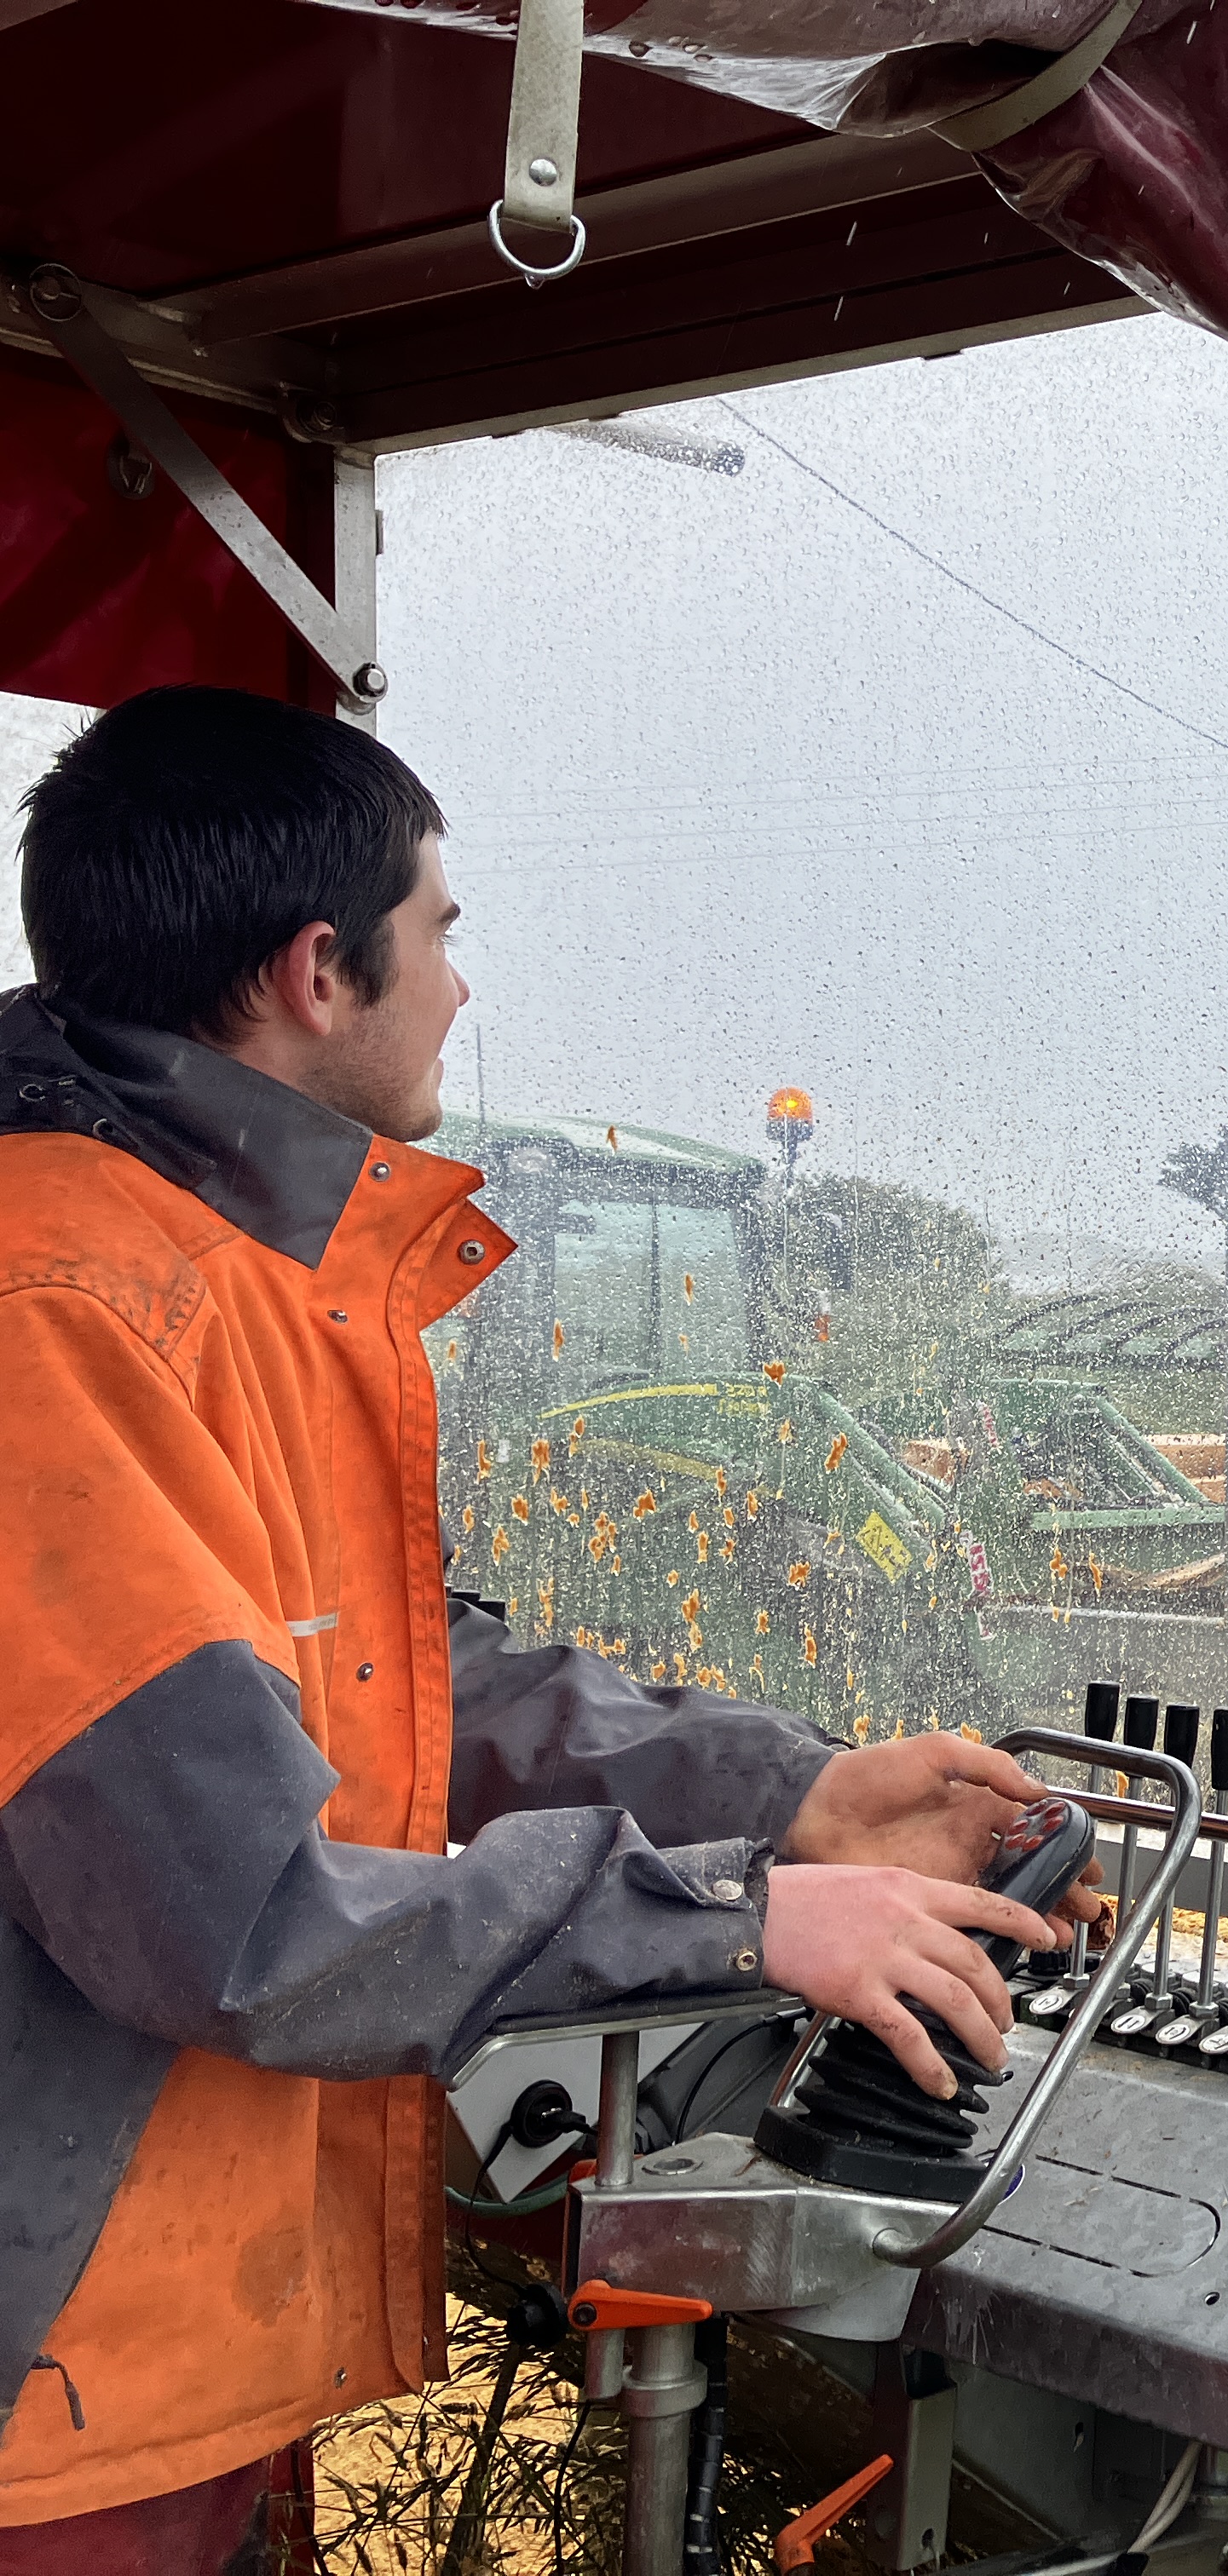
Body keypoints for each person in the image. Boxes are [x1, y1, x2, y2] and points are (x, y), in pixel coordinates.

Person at [0, 687, 1091, 2570]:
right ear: (314, 972)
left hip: (141, 2339)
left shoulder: (213, 1279)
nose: (459, 986)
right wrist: (745, 1918)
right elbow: (234, 1913)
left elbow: (396, 1678)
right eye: (441, 932)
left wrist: (798, 1791)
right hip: (53, 2377)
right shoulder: (71, 1309)